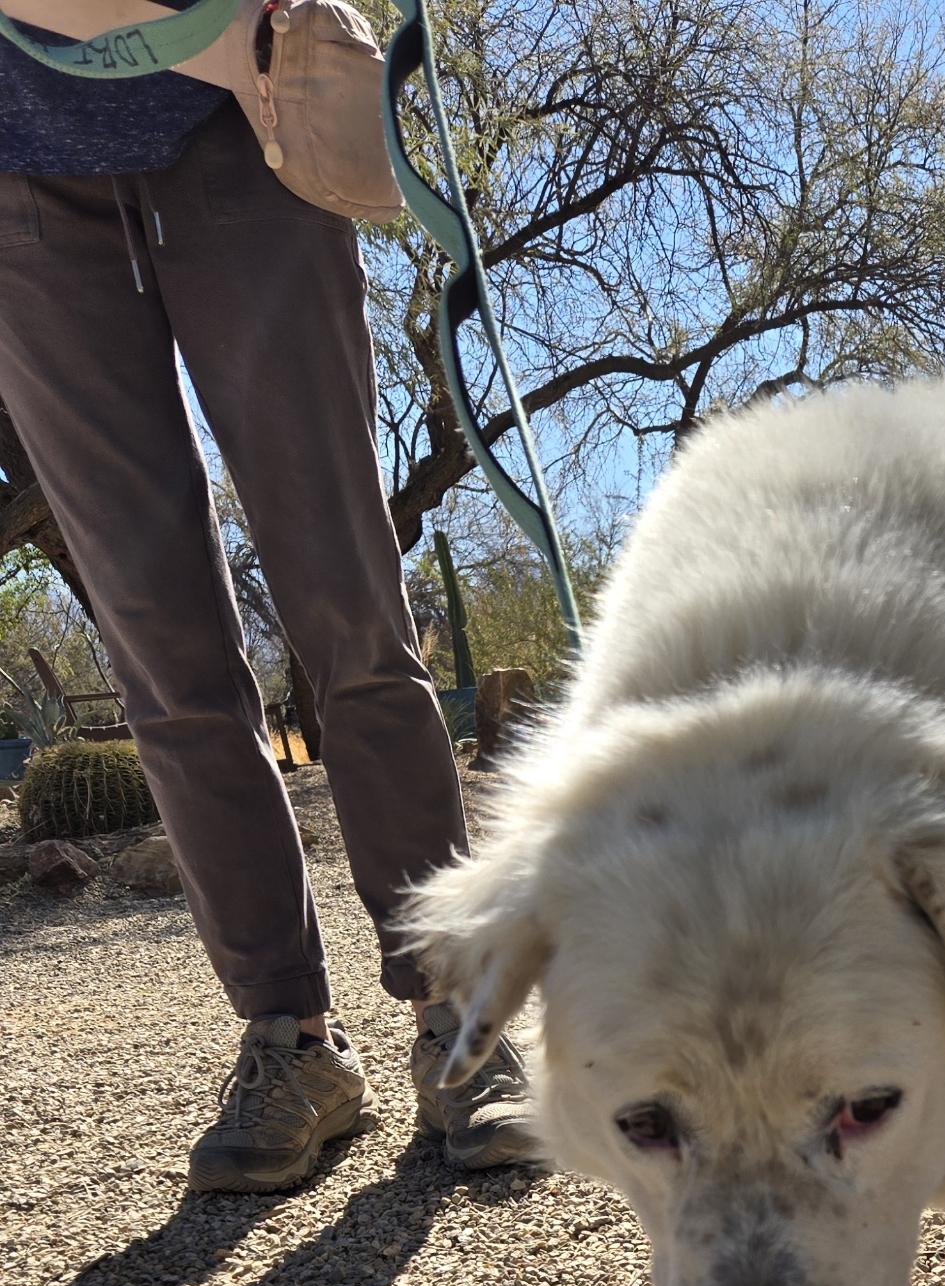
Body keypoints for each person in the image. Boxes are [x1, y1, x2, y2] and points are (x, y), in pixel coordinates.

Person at [0, 47, 540, 1191]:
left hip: (247, 129)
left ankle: (461, 1013)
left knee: (351, 602)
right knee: (161, 650)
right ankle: (290, 1041)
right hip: (23, 189)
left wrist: (233, 44)